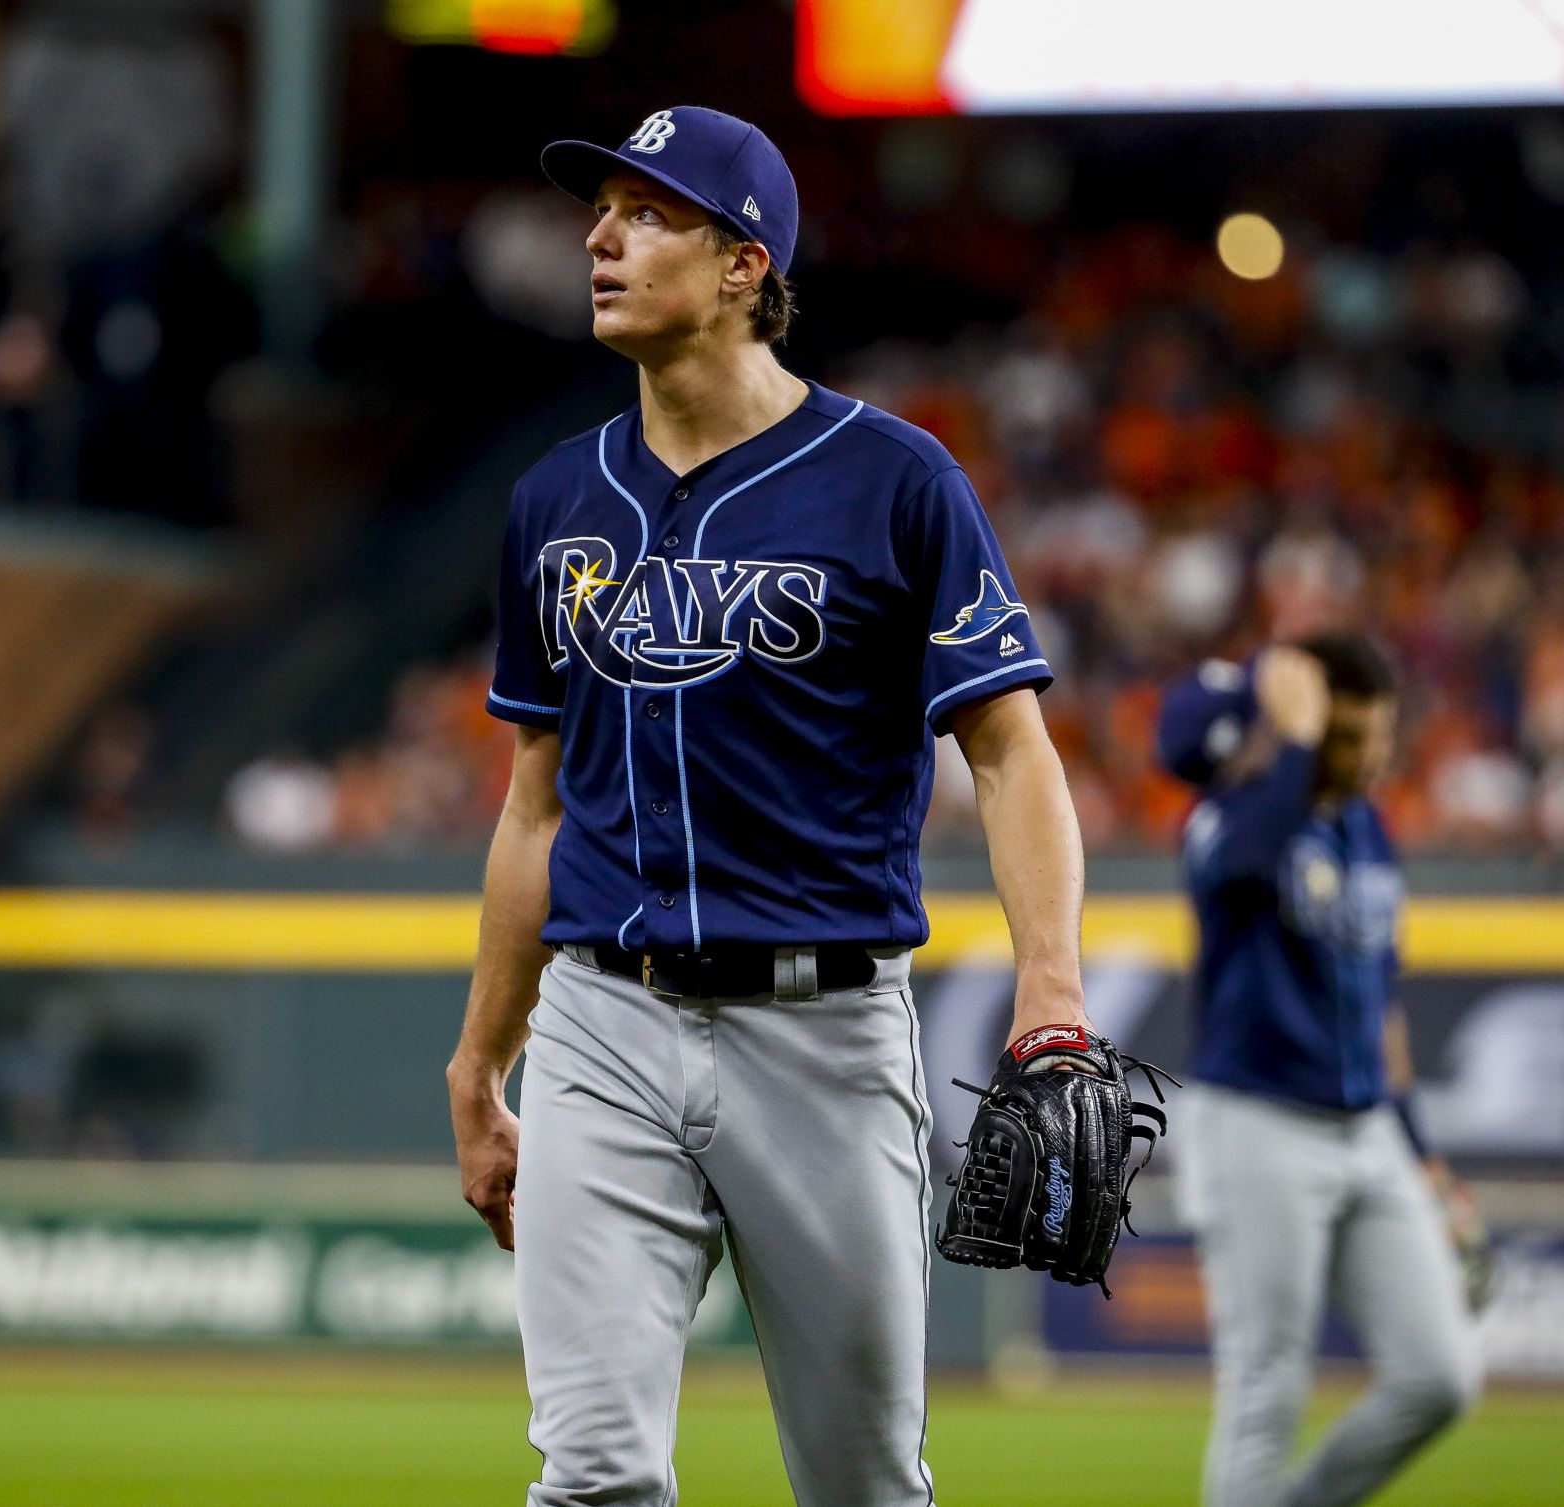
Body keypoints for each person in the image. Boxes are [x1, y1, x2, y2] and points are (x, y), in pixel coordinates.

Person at [445, 106, 1090, 1506]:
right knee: (595, 1474)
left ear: (745, 264)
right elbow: (531, 813)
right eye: (601, 209)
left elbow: (1011, 752)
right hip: (601, 1023)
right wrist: (480, 1057)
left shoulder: (895, 480)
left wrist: (1050, 978)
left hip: (823, 1031)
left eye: (651, 214)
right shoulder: (557, 500)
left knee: (861, 1480)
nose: (602, 238)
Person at [1161, 633, 1484, 1507]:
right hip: (1258, 1122)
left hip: (1366, 1125)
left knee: (1440, 1373)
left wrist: (1424, 1155)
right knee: (1267, 1388)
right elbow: (1253, 860)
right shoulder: (1235, 808)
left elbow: (1382, 1007)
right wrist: (1292, 738)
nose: (1366, 757)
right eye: (1346, 736)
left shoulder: (1369, 827)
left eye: (1377, 737)